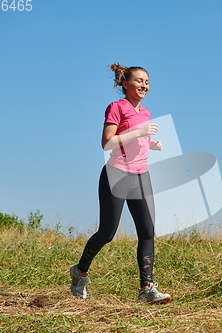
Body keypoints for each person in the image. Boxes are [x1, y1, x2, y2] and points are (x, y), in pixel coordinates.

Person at [70, 63, 172, 304]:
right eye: (139, 80)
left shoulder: (145, 113)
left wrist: (151, 144)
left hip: (140, 175)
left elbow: (136, 143)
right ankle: (80, 271)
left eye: (147, 81)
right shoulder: (116, 107)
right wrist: (140, 133)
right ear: (124, 83)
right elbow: (107, 143)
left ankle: (146, 289)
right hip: (116, 174)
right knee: (107, 232)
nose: (144, 85)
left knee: (147, 232)